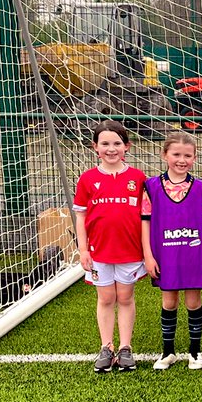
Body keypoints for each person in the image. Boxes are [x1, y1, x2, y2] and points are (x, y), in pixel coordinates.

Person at [73, 119, 146, 373]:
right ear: (95, 147)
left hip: (129, 251)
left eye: (117, 143)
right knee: (105, 298)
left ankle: (126, 348)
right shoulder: (87, 179)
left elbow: (146, 217)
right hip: (99, 253)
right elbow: (81, 217)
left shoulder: (137, 178)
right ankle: (106, 347)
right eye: (105, 143)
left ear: (127, 146)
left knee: (125, 297)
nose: (111, 148)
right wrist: (83, 249)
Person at [142, 131, 202, 371]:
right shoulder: (151, 187)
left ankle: (195, 353)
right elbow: (145, 222)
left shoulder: (201, 189)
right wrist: (148, 255)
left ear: (194, 158)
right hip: (165, 253)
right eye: (176, 154)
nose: (181, 160)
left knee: (194, 302)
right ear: (165, 155)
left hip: (194, 254)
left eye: (187, 155)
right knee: (169, 302)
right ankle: (168, 352)